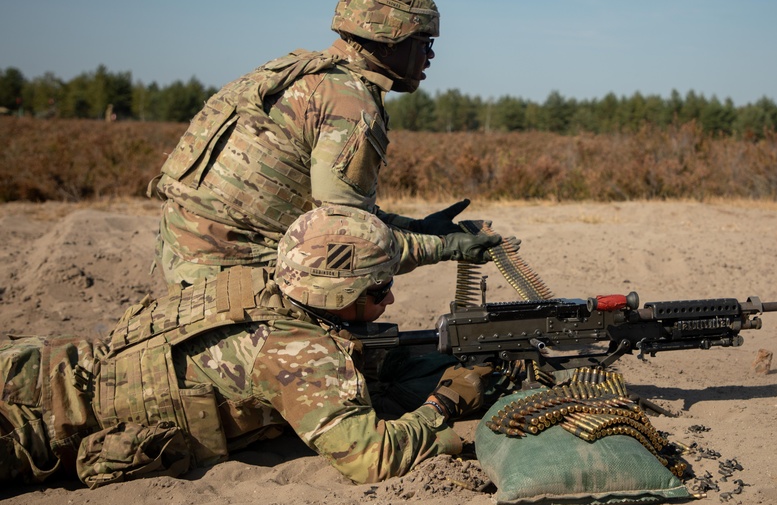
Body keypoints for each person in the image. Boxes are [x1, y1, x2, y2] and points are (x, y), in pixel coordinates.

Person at [0, 205, 502, 488]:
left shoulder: (258, 281)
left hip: (42, 361)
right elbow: (371, 459)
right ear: (334, 295)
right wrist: (445, 402)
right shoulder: (297, 354)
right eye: (376, 291)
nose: (390, 297)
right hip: (40, 427)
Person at [149, 0, 483, 285]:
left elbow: (344, 213)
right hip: (229, 267)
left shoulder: (299, 70)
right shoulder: (349, 101)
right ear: (390, 41)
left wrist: (420, 228)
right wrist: (443, 248)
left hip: (185, 248)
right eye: (424, 43)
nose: (431, 56)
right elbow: (346, 240)